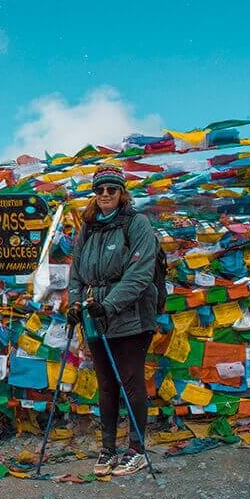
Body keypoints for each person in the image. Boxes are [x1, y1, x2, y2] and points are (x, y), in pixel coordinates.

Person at [65, 164, 159, 476]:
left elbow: (140, 273)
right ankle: (108, 449)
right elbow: (76, 273)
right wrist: (76, 304)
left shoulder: (137, 224)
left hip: (131, 315)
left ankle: (137, 449)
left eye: (112, 190)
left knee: (131, 380)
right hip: (95, 315)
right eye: (100, 190)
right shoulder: (88, 227)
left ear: (121, 193)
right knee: (106, 384)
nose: (105, 195)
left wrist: (110, 305)